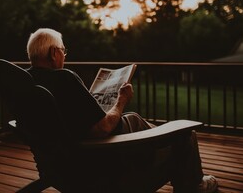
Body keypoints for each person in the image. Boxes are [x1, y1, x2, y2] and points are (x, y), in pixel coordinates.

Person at [26, 28, 218, 193]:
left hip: (62, 169)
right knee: (185, 136)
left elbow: (71, 120)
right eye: (62, 50)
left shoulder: (27, 84)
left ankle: (163, 141)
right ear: (53, 53)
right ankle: (196, 186)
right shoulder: (64, 78)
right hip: (100, 172)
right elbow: (102, 129)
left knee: (133, 118)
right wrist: (121, 100)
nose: (64, 55)